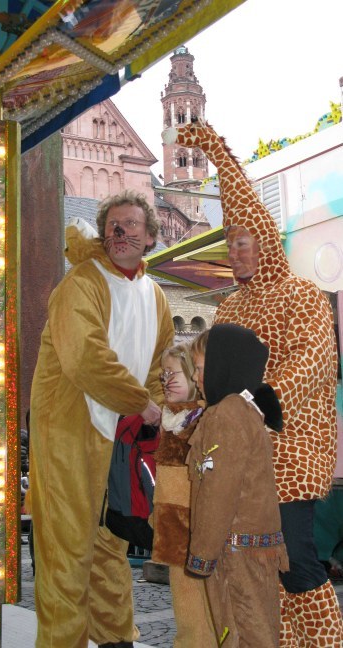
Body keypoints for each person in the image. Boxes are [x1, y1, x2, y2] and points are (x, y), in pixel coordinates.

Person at [163, 119, 343, 645]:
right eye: (230, 243)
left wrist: (253, 401)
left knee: (295, 563)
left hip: (286, 454)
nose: (236, 252)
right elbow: (209, 369)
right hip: (236, 454)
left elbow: (311, 363)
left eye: (244, 242)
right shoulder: (230, 306)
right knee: (248, 565)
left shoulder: (304, 296)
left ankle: (323, 641)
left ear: (265, 243)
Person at [29, 189, 174, 647]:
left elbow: (160, 367)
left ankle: (115, 639)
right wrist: (141, 403)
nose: (120, 231)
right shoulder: (82, 283)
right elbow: (85, 357)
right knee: (66, 551)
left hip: (120, 440)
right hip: (70, 433)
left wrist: (153, 415)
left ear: (151, 236)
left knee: (111, 544)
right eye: (113, 224)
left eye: (132, 224)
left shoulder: (156, 297)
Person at [186, 323, 288, 648]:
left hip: (235, 554)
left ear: (222, 365)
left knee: (240, 634)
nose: (195, 378)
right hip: (255, 551)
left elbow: (218, 492)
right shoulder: (245, 410)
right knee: (260, 631)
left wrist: (201, 556)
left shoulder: (224, 416)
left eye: (200, 369)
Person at [151, 336, 217, 647]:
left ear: (192, 373)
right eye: (163, 374)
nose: (166, 380)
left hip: (195, 522)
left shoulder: (202, 417)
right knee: (183, 601)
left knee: (201, 600)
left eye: (172, 373)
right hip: (171, 521)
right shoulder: (169, 417)